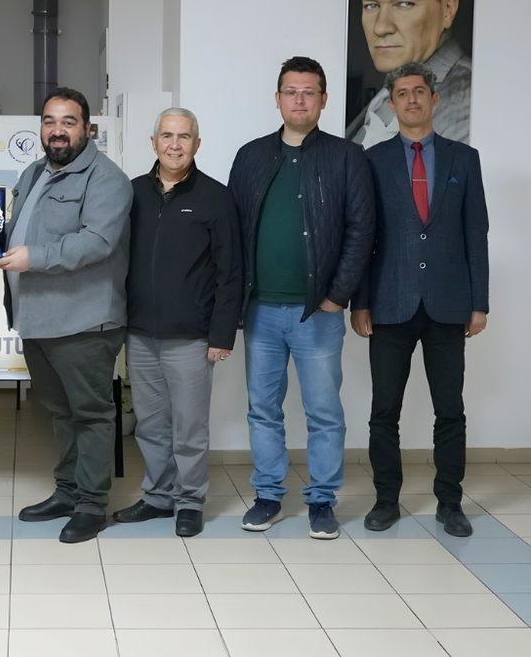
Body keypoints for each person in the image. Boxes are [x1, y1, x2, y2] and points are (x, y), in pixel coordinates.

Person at [228, 57, 374, 539]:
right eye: (291, 91)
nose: (300, 99)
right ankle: (268, 495)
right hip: (260, 310)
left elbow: (361, 231)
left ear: (324, 100)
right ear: (277, 99)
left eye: (309, 92)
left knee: (324, 413)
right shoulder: (250, 156)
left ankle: (322, 501)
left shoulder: (346, 156)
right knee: (263, 410)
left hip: (318, 312)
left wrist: (336, 297)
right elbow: (232, 231)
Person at [352, 62, 488, 538]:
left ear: (434, 99)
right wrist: (360, 302)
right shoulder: (372, 160)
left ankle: (450, 502)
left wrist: (479, 302)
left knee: (449, 410)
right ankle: (386, 500)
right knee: (383, 411)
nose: (411, 99)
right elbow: (364, 237)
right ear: (391, 104)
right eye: (403, 93)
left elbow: (476, 233)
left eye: (419, 91)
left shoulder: (463, 159)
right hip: (389, 302)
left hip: (449, 305)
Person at [0, 87, 132, 544]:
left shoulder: (106, 178)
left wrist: (33, 257)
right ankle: (68, 490)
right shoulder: (34, 172)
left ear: (88, 129)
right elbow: (15, 230)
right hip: (36, 318)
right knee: (59, 411)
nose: (57, 130)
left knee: (90, 414)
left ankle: (92, 505)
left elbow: (96, 242)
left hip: (83, 321)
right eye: (49, 121)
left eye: (68, 122)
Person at [112, 108, 242, 538]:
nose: (174, 144)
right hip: (140, 334)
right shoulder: (132, 193)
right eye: (166, 135)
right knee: (150, 425)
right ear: (153, 143)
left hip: (192, 336)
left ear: (197, 144)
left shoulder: (215, 197)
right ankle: (157, 497)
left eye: (184, 136)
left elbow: (231, 272)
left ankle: (189, 501)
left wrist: (222, 335)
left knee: (189, 427)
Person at [348, 0, 471, 146]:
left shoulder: (466, 101)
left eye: (404, 4)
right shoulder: (398, 81)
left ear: (448, 9)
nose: (380, 27)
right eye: (371, 5)